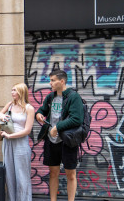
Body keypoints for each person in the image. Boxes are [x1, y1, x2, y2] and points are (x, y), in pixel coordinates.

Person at [35, 69, 84, 201]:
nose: (50, 83)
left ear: (61, 81)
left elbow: (77, 119)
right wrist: (38, 114)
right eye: (50, 80)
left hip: (67, 141)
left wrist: (57, 127)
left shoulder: (73, 97)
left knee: (71, 174)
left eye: (53, 80)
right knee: (53, 173)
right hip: (51, 140)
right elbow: (42, 109)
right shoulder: (50, 97)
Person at [0, 83, 34, 201]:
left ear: (21, 92)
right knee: (9, 176)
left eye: (14, 90)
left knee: (22, 176)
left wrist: (10, 135)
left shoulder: (29, 108)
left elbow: (27, 131)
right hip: (8, 144)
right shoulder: (10, 105)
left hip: (21, 145)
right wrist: (1, 116)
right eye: (11, 90)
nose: (12, 92)